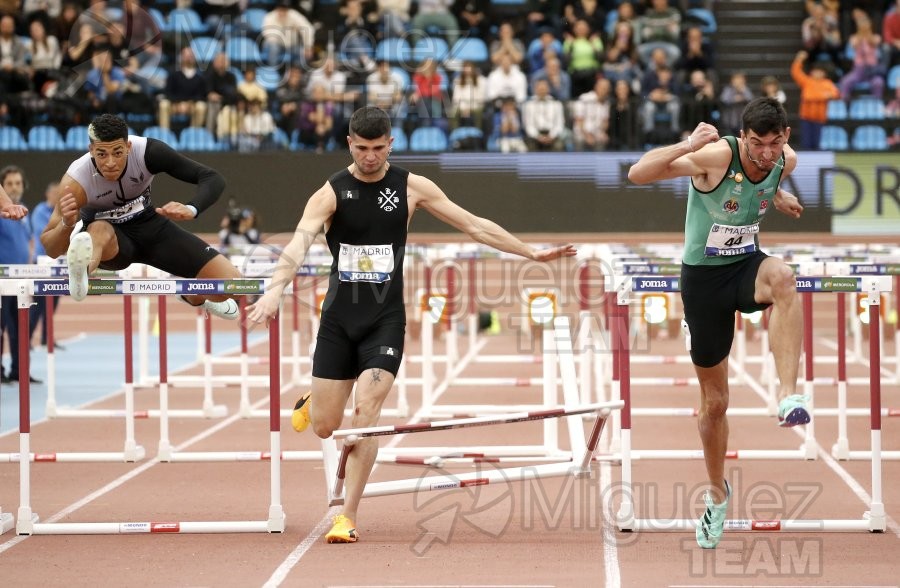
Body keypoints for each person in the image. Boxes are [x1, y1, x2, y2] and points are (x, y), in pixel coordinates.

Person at [246, 106, 576, 544]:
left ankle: (347, 515)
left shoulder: (411, 186)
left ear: (391, 144)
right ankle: (315, 400)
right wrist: (274, 290)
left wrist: (530, 253)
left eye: (377, 149)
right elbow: (298, 244)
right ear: (349, 143)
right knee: (326, 425)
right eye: (361, 148)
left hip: (385, 319)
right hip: (339, 319)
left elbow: (474, 225)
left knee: (366, 415)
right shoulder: (330, 193)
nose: (369, 156)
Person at [627, 97, 807, 550]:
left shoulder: (785, 160)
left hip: (746, 266)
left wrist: (777, 193)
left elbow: (766, 183)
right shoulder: (716, 156)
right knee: (716, 402)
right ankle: (717, 494)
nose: (766, 154)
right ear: (742, 137)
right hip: (704, 281)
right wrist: (687, 144)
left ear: (785, 136)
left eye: (775, 144)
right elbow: (638, 173)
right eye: (757, 144)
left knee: (785, 278)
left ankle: (787, 394)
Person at [39, 114, 242, 319]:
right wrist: (66, 224)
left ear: (128, 146)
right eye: (101, 154)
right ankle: (81, 272)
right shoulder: (76, 181)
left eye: (117, 153)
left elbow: (212, 178)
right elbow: (51, 248)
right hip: (111, 242)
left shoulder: (148, 152)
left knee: (234, 284)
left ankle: (193, 296)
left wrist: (192, 208)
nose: (110, 162)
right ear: (91, 150)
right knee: (99, 228)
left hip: (150, 226)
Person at [0, 165, 41, 384]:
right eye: (9, 184)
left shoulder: (23, 211)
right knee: (1, 327)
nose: (14, 188)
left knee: (21, 328)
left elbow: (29, 241)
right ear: (2, 188)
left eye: (17, 183)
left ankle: (20, 370)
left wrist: (30, 266)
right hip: (1, 280)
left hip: (21, 280)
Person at [29, 181, 63, 349]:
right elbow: (46, 235)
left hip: (56, 264)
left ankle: (46, 337)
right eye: (56, 193)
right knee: (39, 303)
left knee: (53, 302)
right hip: (42, 264)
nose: (59, 196)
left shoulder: (61, 212)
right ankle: (25, 338)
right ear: (48, 194)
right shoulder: (40, 211)